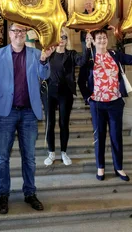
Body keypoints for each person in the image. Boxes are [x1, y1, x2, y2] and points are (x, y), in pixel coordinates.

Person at [0, 22, 53, 214]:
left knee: (29, 158)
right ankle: (3, 195)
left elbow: (45, 75)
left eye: (22, 31)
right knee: (2, 157)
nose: (18, 34)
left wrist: (44, 60)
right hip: (5, 112)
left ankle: (30, 193)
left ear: (26, 34)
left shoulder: (35, 54)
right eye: (15, 31)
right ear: (9, 34)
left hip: (29, 113)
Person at [78, 29, 132, 181]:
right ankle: (100, 167)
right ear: (94, 41)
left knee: (116, 136)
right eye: (99, 38)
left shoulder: (115, 55)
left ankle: (119, 168)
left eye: (104, 38)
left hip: (115, 103)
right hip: (97, 104)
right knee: (99, 136)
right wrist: (88, 97)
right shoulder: (89, 58)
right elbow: (81, 80)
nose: (102, 40)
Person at [43, 29, 91, 167]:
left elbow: (82, 62)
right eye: (59, 37)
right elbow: (40, 68)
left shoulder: (71, 54)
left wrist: (87, 47)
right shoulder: (49, 53)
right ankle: (51, 152)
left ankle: (64, 152)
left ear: (66, 39)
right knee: (49, 123)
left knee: (64, 123)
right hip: (49, 92)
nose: (61, 39)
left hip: (65, 92)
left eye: (64, 36)